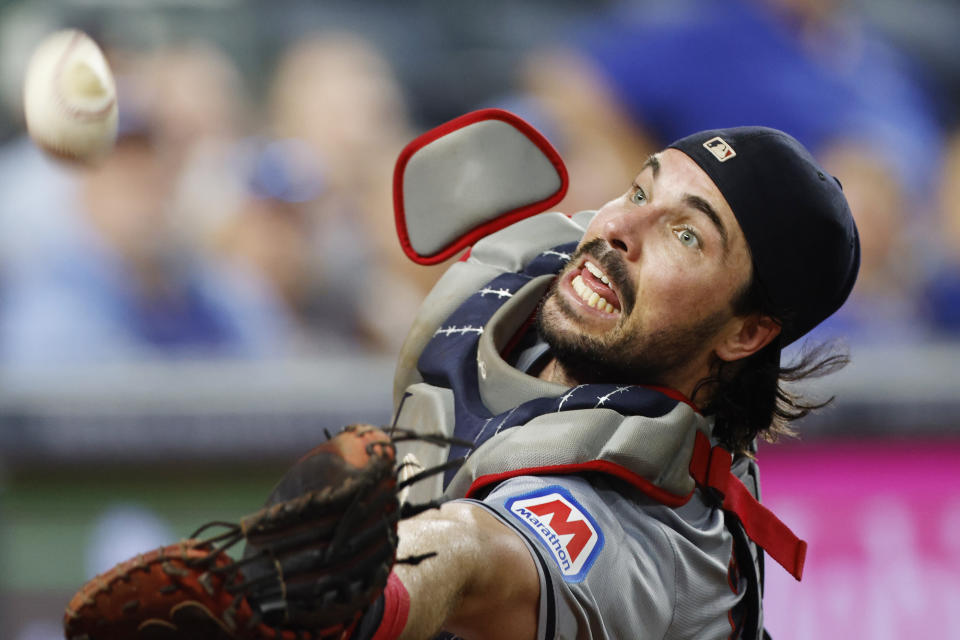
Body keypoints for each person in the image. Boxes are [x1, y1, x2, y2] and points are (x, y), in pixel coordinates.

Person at [367, 125, 860, 639]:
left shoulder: (660, 545)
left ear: (748, 333)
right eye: (641, 190)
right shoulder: (547, 294)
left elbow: (471, 554)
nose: (617, 226)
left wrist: (355, 588)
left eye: (686, 234)